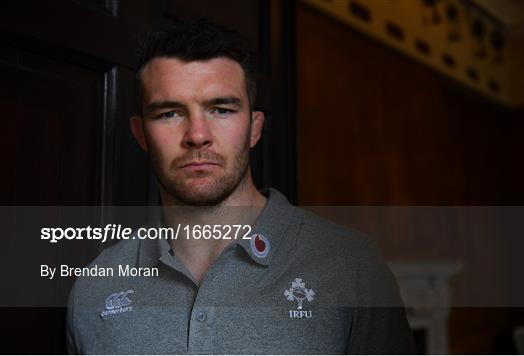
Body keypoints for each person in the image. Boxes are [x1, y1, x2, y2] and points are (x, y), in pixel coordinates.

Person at [66, 19, 416, 354]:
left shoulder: (350, 266)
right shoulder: (96, 287)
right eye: (169, 113)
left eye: (220, 109)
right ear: (141, 134)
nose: (197, 135)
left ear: (254, 128)